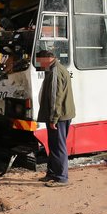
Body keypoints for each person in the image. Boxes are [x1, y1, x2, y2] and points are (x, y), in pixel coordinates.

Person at [35, 50, 75, 187]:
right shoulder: (53, 69)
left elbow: (55, 98)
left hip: (59, 116)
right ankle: (52, 173)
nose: (38, 64)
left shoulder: (55, 72)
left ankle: (61, 177)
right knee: (53, 145)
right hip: (59, 115)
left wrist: (53, 119)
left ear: (48, 58)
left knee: (58, 146)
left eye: (39, 60)